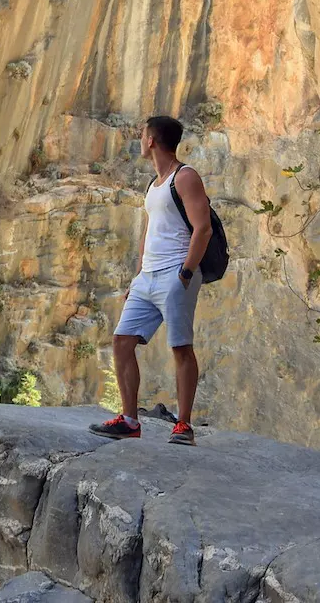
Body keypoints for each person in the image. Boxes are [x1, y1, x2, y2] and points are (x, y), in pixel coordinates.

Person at [89, 115, 212, 446]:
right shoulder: (155, 184)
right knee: (122, 342)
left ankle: (184, 425)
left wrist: (185, 274)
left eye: (142, 134)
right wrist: (139, 275)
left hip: (176, 273)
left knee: (181, 348)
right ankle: (130, 419)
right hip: (148, 277)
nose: (140, 139)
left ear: (152, 141)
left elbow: (203, 228)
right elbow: (151, 233)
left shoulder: (184, 177)